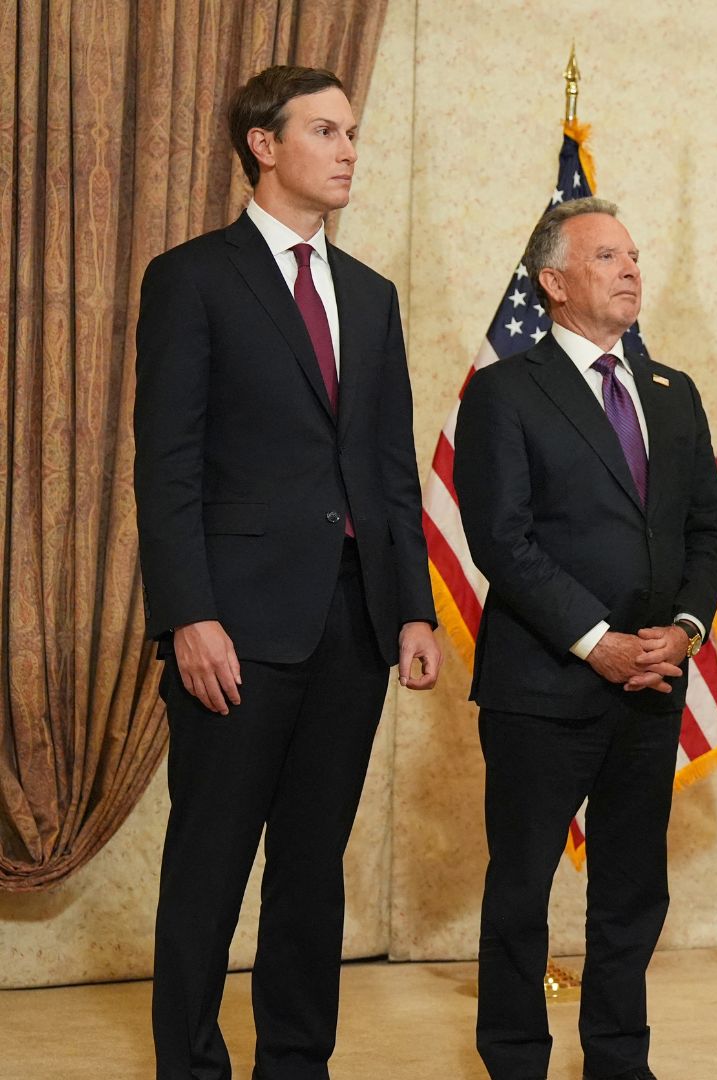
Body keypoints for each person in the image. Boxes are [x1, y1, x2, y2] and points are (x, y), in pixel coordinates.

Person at [134, 65, 440, 1080]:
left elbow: (389, 467)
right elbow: (166, 463)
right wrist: (189, 615)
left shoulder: (371, 294)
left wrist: (411, 610)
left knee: (311, 871)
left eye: (353, 130)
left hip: (352, 626)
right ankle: (190, 1066)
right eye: (325, 129)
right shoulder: (193, 277)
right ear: (263, 145)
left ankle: (296, 1064)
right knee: (209, 867)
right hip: (235, 627)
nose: (349, 148)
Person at [454, 197, 717, 1080]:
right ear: (554, 280)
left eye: (635, 255)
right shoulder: (504, 390)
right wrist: (596, 640)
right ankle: (515, 1062)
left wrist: (681, 633)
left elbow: (703, 533)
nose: (631, 269)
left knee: (631, 891)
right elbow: (501, 538)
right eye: (608, 256)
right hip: (543, 686)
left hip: (651, 686)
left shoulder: (672, 391)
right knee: (522, 890)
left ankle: (617, 1059)